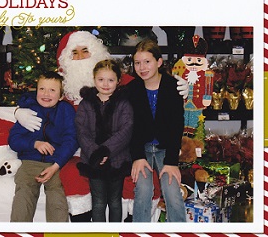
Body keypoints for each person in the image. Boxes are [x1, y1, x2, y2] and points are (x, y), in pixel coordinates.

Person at [14, 30, 189, 222]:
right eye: (74, 53)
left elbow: (144, 104)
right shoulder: (64, 83)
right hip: (81, 151)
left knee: (141, 185)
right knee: (79, 179)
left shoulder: (123, 84)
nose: (80, 57)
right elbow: (44, 92)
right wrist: (18, 110)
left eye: (85, 50)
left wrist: (179, 87)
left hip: (120, 151)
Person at [128, 38, 186, 222]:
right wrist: (137, 157)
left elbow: (177, 126)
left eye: (147, 62)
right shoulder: (132, 89)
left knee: (172, 191)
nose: (142, 67)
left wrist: (171, 162)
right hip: (142, 147)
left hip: (165, 148)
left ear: (159, 62)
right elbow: (130, 127)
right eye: (137, 63)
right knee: (143, 190)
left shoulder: (172, 87)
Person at [8, 71, 79, 222]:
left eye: (52, 90)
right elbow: (13, 140)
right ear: (36, 91)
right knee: (23, 196)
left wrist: (57, 165)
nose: (46, 94)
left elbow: (71, 140)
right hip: (30, 162)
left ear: (60, 95)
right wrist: (34, 143)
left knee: (57, 199)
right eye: (42, 89)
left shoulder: (65, 110)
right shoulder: (28, 110)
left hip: (55, 163)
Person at [75, 59, 133, 222]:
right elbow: (81, 130)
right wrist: (96, 153)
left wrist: (106, 151)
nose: (105, 84)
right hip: (93, 161)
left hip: (117, 160)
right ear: (94, 80)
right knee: (99, 203)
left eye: (111, 80)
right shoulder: (86, 103)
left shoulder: (123, 103)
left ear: (118, 81)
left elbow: (126, 130)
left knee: (114, 202)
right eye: (101, 79)